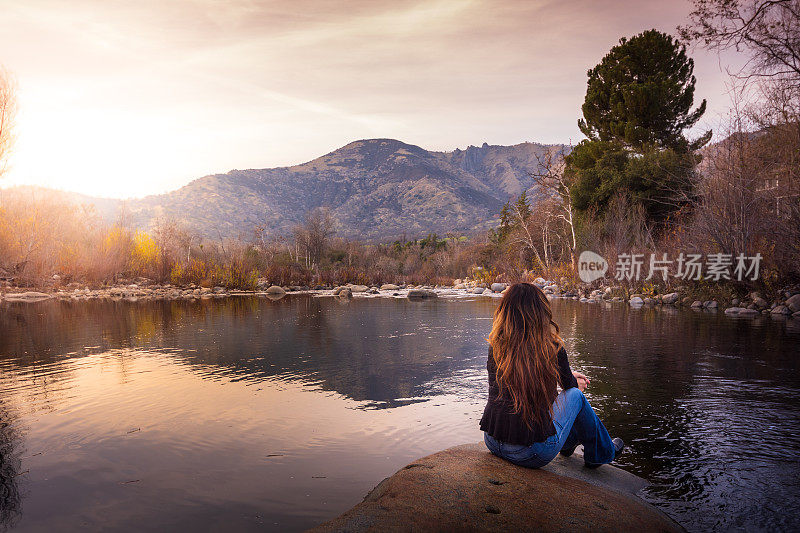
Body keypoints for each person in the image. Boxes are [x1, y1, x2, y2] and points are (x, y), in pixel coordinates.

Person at [479, 282, 624, 468]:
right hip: (530, 452)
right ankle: (601, 453)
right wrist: (572, 381)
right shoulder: (551, 346)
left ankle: (568, 442)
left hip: (492, 441)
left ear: (506, 310)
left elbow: (514, 380)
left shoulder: (496, 345)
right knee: (575, 396)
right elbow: (570, 386)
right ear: (541, 311)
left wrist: (567, 375)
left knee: (564, 398)